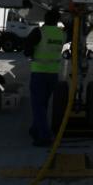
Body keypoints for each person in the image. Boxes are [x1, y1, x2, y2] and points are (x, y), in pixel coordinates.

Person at [25, 9, 65, 146]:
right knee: (43, 104)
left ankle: (44, 136)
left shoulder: (39, 32)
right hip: (53, 74)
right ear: (57, 20)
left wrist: (31, 52)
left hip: (39, 73)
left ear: (45, 19)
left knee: (38, 105)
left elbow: (27, 50)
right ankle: (35, 128)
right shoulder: (61, 34)